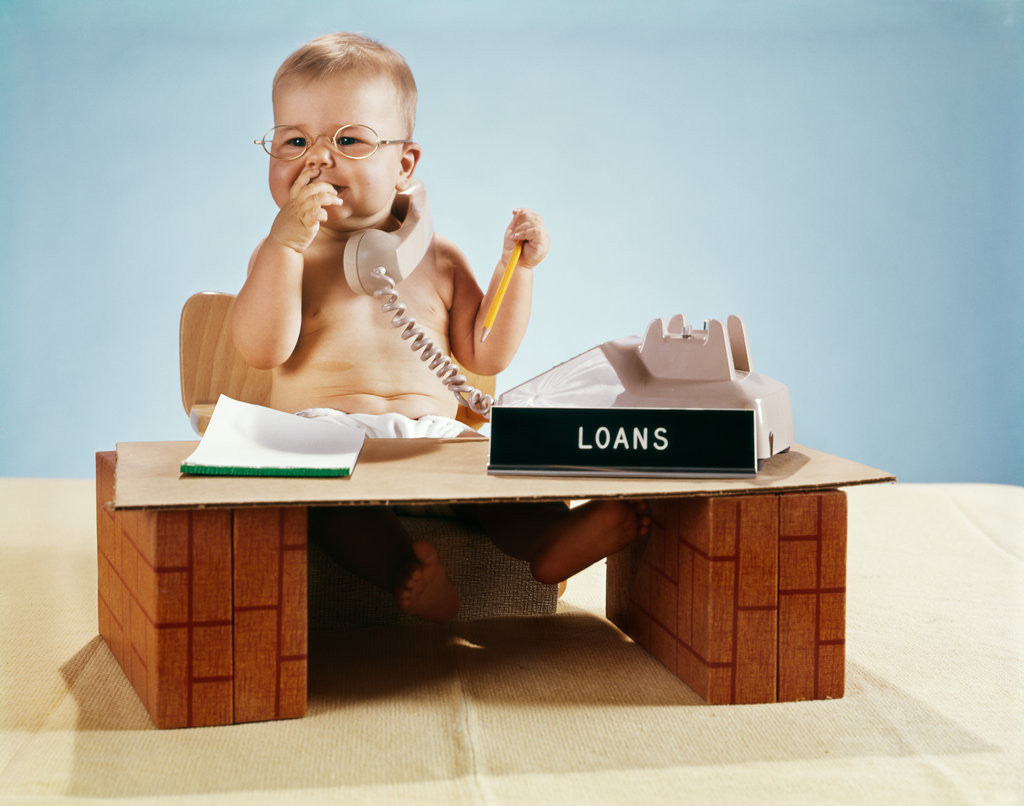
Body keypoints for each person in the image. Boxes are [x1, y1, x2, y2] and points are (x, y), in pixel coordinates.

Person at [232, 32, 647, 622]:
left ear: (404, 165)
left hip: (435, 437)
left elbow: (485, 354)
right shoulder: (283, 257)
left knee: (498, 471)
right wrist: (283, 246)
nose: (318, 158)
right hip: (329, 436)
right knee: (322, 506)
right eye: (294, 141)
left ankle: (549, 539)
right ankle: (408, 575)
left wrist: (516, 271)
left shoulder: (437, 258)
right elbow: (260, 348)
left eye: (349, 140)